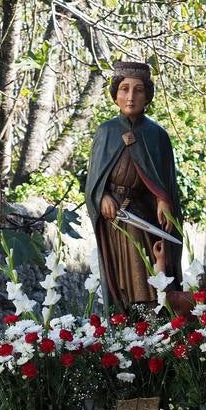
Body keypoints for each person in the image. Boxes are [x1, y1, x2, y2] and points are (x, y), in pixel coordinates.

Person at [83, 60, 183, 308]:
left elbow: (165, 180)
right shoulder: (106, 132)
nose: (130, 97)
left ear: (147, 95)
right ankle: (127, 320)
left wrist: (163, 199)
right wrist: (101, 197)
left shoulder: (157, 135)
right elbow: (93, 181)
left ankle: (152, 317)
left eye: (138, 90)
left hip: (145, 215)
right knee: (121, 278)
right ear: (115, 94)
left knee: (152, 268)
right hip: (114, 218)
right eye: (124, 89)